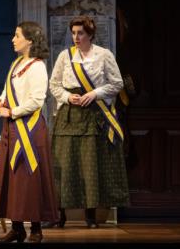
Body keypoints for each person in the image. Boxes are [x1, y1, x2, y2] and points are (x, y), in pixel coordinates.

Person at [48, 15, 129, 228]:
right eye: (73, 33)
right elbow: (54, 85)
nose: (76, 37)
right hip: (68, 116)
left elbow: (117, 83)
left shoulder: (103, 55)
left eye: (80, 33)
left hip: (93, 115)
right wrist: (67, 97)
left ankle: (90, 216)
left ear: (90, 34)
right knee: (64, 165)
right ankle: (60, 216)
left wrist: (95, 94)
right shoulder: (65, 57)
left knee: (89, 165)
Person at [0, 21, 58, 243]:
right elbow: (6, 90)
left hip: (29, 129)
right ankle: (17, 227)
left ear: (29, 40)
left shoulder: (37, 66)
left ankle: (36, 229)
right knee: (13, 178)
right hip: (11, 128)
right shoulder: (16, 63)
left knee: (30, 177)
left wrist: (12, 112)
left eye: (17, 35)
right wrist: (1, 102)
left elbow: (37, 100)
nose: (13, 39)